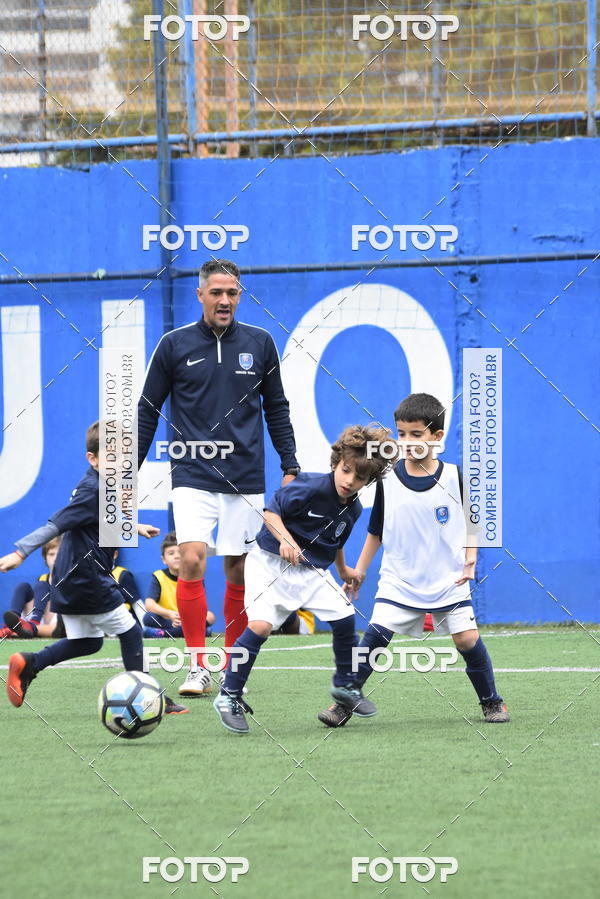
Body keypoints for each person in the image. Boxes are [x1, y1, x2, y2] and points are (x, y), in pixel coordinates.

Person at [137, 258, 300, 696]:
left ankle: (232, 670)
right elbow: (147, 410)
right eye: (216, 293)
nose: (224, 300)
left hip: (246, 477)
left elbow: (277, 407)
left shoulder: (261, 343)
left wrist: (290, 466)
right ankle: (196, 667)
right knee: (191, 558)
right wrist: (126, 472)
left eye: (232, 293)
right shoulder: (174, 345)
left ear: (239, 296)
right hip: (191, 472)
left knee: (239, 573)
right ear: (201, 295)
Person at [319, 393, 509, 727]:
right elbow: (376, 530)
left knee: (466, 639)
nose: (406, 441)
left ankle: (491, 701)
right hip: (399, 578)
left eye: (415, 434)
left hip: (447, 579)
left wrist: (471, 559)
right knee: (376, 634)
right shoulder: (387, 478)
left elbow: (473, 524)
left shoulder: (455, 477)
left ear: (436, 437)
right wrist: (359, 572)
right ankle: (343, 704)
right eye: (401, 433)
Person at [213, 425, 391, 734]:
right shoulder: (309, 486)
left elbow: (334, 540)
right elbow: (271, 512)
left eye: (360, 477)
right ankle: (229, 695)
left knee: (345, 616)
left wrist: (345, 570)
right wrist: (285, 540)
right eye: (346, 471)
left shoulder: (355, 509)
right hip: (268, 565)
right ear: (336, 463)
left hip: (311, 572)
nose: (350, 481)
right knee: (260, 626)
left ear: (369, 480)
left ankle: (346, 686)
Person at [0, 421, 187, 715]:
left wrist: (135, 527)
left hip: (72, 576)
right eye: (111, 456)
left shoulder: (101, 485)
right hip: (85, 578)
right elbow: (56, 524)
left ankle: (29, 662)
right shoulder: (93, 489)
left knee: (87, 642)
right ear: (93, 458)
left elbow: (99, 518)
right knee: (131, 632)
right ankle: (150, 698)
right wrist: (20, 552)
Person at [142, 532, 215, 642]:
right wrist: (170, 614)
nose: (176, 556)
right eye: (171, 553)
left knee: (210, 616)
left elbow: (200, 605)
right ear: (163, 559)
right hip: (167, 618)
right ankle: (199, 632)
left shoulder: (195, 576)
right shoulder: (158, 576)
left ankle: (163, 634)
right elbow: (149, 604)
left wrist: (186, 617)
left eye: (180, 553)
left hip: (187, 619)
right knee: (148, 617)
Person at [0, 537, 64, 639]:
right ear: (45, 558)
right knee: (26, 586)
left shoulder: (73, 578)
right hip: (37, 619)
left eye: (60, 554)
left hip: (56, 623)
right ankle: (12, 626)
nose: (55, 558)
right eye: (51, 554)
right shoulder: (43, 580)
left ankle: (28, 628)